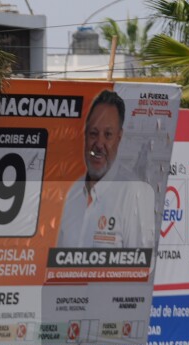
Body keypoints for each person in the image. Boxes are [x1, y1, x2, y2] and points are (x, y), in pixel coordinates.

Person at [56, 89, 155, 250]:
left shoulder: (133, 192)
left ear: (119, 138)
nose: (99, 144)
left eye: (108, 135)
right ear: (85, 135)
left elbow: (141, 268)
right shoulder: (73, 193)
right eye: (94, 134)